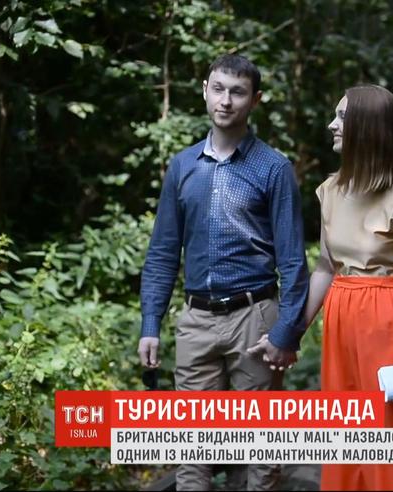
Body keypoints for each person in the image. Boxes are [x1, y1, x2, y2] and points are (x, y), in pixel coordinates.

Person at [137, 53, 310, 491]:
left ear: (255, 100)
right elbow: (163, 252)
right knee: (192, 451)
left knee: (261, 451)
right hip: (196, 319)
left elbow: (293, 260)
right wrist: (150, 323)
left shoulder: (273, 168)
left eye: (237, 92)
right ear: (205, 91)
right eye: (218, 89)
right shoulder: (183, 166)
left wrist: (286, 332)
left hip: (255, 317)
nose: (226, 101)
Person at [303, 84, 393, 491]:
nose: (331, 125)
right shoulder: (330, 191)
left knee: (390, 429)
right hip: (341, 322)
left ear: (367, 128)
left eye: (342, 117)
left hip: (387, 322)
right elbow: (325, 268)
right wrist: (291, 332)